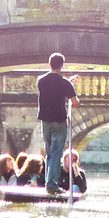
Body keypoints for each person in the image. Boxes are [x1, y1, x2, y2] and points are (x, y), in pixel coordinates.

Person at [36, 52, 79, 197]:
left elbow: (53, 83)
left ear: (49, 64)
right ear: (62, 66)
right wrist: (74, 93)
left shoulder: (41, 81)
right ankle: (51, 185)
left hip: (45, 121)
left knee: (49, 153)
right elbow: (75, 103)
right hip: (59, 122)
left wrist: (68, 82)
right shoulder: (64, 84)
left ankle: (50, 182)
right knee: (56, 153)